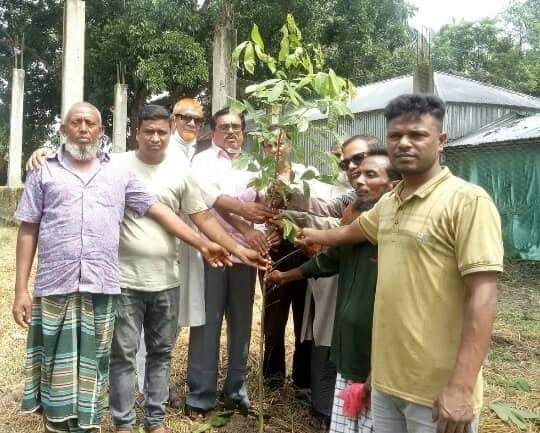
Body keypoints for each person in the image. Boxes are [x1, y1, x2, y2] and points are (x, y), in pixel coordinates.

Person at [12, 102, 232, 433]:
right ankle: (61, 423)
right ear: (63, 129)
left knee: (94, 364)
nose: (83, 128)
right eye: (76, 122)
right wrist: (19, 289)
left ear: (101, 132)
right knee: (57, 361)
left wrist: (203, 243)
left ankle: (89, 424)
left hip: (103, 286)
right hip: (59, 284)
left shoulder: (116, 172)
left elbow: (160, 211)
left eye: (91, 123)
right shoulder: (45, 170)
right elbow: (28, 228)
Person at [297, 94, 504, 433]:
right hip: (386, 384)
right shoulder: (389, 204)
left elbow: (484, 297)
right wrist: (308, 234)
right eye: (395, 136)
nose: (404, 143)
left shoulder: (467, 202)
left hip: (437, 392)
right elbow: (352, 231)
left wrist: (462, 387)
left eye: (417, 135)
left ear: (440, 141)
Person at [109, 105, 265, 433]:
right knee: (123, 353)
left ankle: (155, 420)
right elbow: (80, 165)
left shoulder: (180, 168)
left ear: (169, 131)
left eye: (161, 131)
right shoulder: (117, 165)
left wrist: (238, 248)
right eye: (148, 131)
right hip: (124, 278)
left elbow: (202, 215)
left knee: (161, 352)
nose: (155, 137)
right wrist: (42, 155)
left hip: (167, 278)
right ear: (136, 133)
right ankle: (124, 423)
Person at [267, 150, 401, 433]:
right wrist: (284, 276)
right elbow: (328, 259)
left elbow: (327, 242)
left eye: (370, 174)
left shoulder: (395, 228)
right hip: (349, 342)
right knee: (348, 413)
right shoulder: (355, 212)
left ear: (393, 185)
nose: (359, 179)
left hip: (378, 345)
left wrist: (310, 235)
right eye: (357, 173)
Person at [185, 107, 273, 417]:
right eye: (225, 126)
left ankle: (236, 390)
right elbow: (211, 201)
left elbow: (263, 205)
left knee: (242, 324)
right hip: (213, 252)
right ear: (214, 131)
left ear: (244, 133)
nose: (232, 132)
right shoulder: (202, 161)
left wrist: (260, 234)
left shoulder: (255, 166)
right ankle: (201, 395)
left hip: (246, 258)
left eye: (237, 127)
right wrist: (246, 227)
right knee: (208, 324)